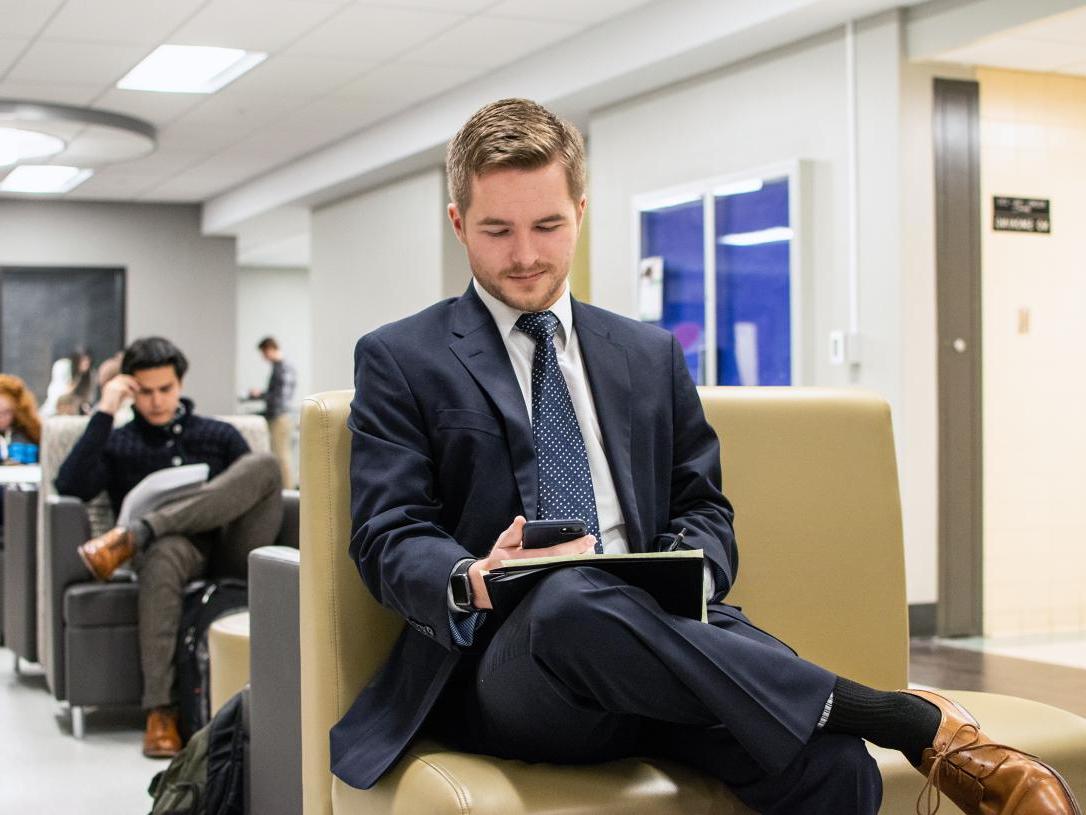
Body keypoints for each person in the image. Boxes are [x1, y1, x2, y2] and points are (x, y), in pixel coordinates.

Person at [333, 99, 1080, 814]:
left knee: (833, 767)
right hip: (515, 670)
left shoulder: (647, 353)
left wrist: (686, 573)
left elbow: (703, 506)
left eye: (548, 225)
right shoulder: (403, 357)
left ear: (582, 214)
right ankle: (903, 718)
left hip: (657, 654)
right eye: (497, 230)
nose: (525, 255)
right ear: (459, 222)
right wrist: (473, 576)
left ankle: (861, 720)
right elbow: (388, 532)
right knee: (564, 600)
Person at [54, 337, 283, 759]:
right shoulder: (119, 441)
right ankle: (160, 711)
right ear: (130, 389)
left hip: (228, 547)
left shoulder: (218, 435)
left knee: (265, 465)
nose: (156, 401)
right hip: (170, 557)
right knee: (164, 552)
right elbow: (69, 484)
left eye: (165, 389)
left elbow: (250, 490)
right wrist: (106, 409)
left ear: (180, 385)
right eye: (144, 391)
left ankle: (135, 534)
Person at [248, 337, 296, 488]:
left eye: (263, 353)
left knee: (282, 457)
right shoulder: (281, 367)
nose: (263, 357)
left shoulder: (282, 368)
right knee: (280, 456)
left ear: (269, 349)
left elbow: (278, 397)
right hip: (279, 416)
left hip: (279, 418)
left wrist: (260, 396)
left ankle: (287, 492)